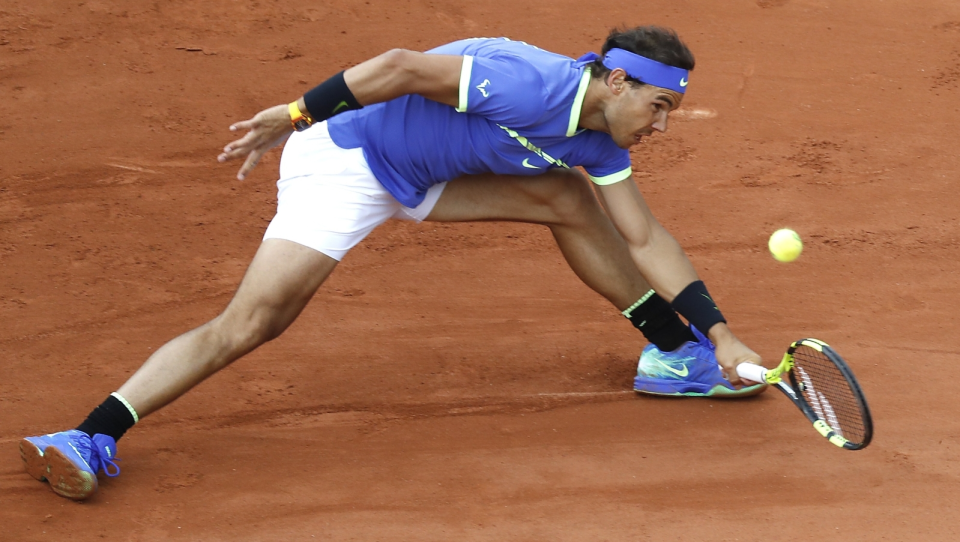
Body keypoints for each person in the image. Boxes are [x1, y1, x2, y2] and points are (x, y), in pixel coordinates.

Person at [20, 25, 765, 501]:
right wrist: (294, 114)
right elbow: (402, 66)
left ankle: (677, 355)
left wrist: (722, 333)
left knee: (569, 198)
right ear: (616, 83)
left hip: (428, 175)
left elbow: (643, 236)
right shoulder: (525, 81)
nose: (664, 125)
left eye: (670, 110)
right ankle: (89, 433)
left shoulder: (602, 141)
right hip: (349, 160)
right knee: (255, 322)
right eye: (659, 106)